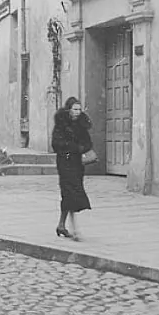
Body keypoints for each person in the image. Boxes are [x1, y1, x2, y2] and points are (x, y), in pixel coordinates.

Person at [51, 96, 93, 239]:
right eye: (75, 109)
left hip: (77, 164)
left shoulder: (82, 125)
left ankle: (61, 225)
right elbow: (56, 144)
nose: (77, 112)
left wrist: (82, 148)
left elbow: (88, 143)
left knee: (70, 194)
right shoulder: (61, 125)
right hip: (65, 163)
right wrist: (74, 147)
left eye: (79, 109)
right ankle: (74, 229)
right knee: (70, 193)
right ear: (68, 110)